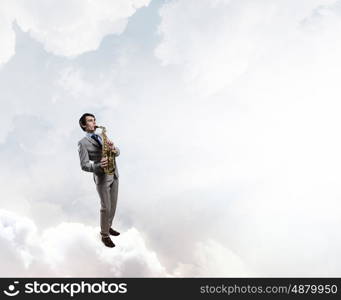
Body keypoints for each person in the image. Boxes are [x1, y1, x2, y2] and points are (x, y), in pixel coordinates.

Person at [77, 113, 120, 248]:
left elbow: (117, 152)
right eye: (90, 121)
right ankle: (104, 235)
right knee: (105, 207)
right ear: (84, 125)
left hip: (114, 173)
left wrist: (113, 148)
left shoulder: (103, 136)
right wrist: (98, 165)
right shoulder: (82, 143)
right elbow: (84, 165)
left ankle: (108, 226)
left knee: (113, 205)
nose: (94, 122)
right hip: (101, 176)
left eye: (94, 120)